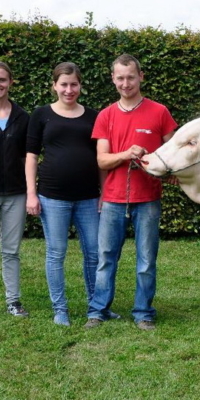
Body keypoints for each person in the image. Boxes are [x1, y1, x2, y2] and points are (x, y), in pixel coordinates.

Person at [84, 54, 177, 331]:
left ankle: (143, 313)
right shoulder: (105, 115)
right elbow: (101, 160)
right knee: (106, 258)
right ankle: (98, 310)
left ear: (141, 77)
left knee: (146, 259)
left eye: (131, 77)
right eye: (120, 78)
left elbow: (172, 155)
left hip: (147, 198)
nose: (126, 83)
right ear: (113, 79)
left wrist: (158, 163)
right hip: (113, 198)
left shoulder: (159, 112)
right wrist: (126, 154)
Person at [25, 62, 106, 326]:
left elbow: (101, 157)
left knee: (94, 253)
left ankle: (96, 307)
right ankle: (60, 309)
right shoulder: (41, 115)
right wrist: (31, 194)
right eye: (64, 84)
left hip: (88, 197)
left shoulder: (93, 116)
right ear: (54, 85)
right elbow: (31, 156)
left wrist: (104, 192)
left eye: (74, 84)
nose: (69, 90)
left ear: (80, 85)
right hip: (52, 197)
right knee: (56, 253)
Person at [0, 61, 30, 317]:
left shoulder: (22, 117)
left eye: (2, 79)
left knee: (10, 250)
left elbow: (26, 158)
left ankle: (13, 300)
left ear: (10, 82)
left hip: (15, 193)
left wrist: (31, 189)